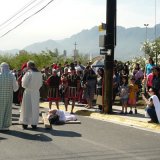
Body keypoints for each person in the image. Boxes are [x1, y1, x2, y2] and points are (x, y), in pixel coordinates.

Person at [19, 61, 42, 129]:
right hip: (36, 92)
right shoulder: (39, 73)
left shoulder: (29, 73)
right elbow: (40, 84)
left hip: (28, 92)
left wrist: (23, 78)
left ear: (28, 66)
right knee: (34, 108)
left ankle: (25, 123)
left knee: (27, 108)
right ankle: (34, 123)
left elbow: (23, 84)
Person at [0, 62, 19, 131]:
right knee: (7, 110)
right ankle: (5, 126)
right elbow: (15, 88)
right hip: (8, 96)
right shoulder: (12, 76)